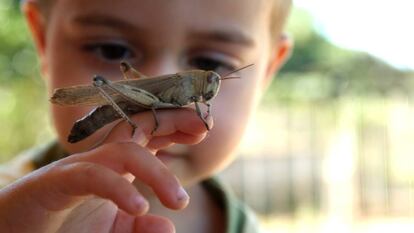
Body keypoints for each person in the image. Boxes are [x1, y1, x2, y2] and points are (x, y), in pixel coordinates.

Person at [0, 0, 292, 232]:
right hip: (125, 99)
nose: (160, 71)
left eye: (211, 62)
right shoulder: (9, 196)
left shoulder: (247, 225)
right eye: (112, 50)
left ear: (268, 70)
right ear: (42, 43)